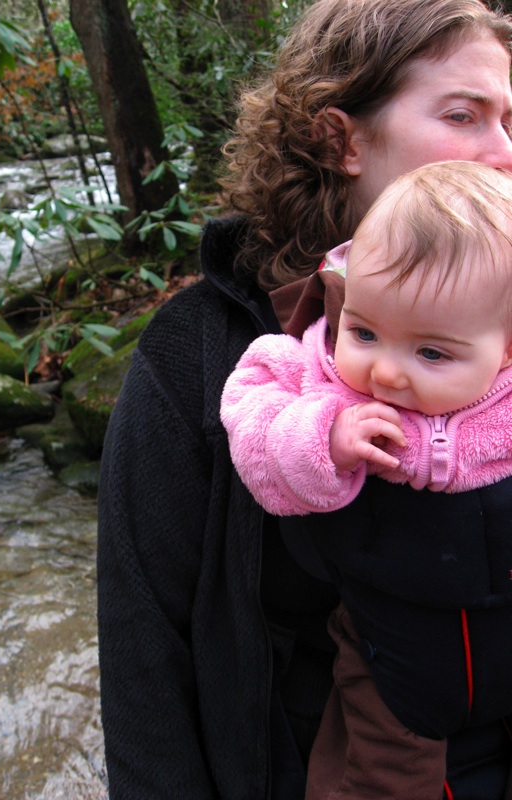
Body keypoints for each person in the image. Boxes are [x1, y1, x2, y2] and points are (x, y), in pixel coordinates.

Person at [96, 1, 512, 797]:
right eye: (465, 115)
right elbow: (143, 646)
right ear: (341, 139)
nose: (503, 152)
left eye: (509, 120)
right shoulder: (204, 354)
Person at [220, 160, 512, 800]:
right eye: (365, 331)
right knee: (379, 779)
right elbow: (251, 421)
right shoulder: (314, 371)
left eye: (431, 352)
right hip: (390, 653)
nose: (385, 372)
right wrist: (322, 437)